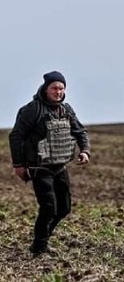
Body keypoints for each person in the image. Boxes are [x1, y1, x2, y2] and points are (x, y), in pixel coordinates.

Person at [8, 71, 91, 256]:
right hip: (39, 168)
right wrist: (18, 165)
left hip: (60, 167)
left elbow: (80, 132)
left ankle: (42, 237)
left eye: (61, 88)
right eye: (54, 88)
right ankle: (39, 246)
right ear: (46, 90)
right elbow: (16, 135)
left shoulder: (66, 110)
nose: (58, 91)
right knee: (49, 207)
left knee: (64, 208)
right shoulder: (33, 109)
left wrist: (85, 150)